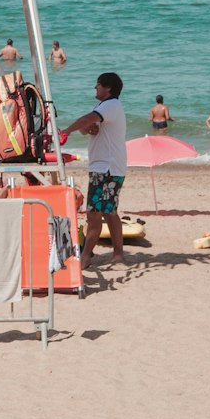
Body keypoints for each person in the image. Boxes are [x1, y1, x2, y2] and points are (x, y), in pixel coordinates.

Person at [62, 72, 127, 270]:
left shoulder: (109, 105)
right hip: (111, 166)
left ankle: (85, 256)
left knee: (94, 213)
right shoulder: (106, 107)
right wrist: (87, 129)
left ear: (108, 88)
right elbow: (88, 125)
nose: (95, 88)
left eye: (97, 85)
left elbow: (85, 120)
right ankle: (118, 254)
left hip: (105, 168)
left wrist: (65, 131)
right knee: (109, 212)